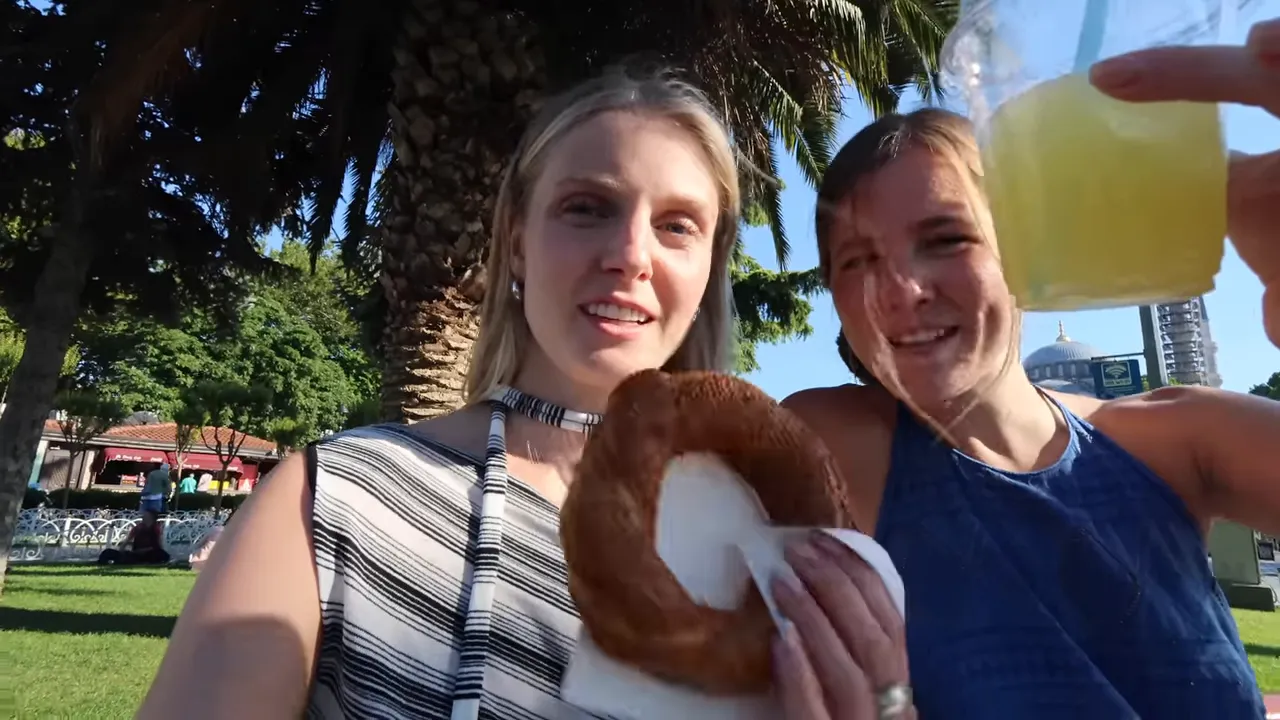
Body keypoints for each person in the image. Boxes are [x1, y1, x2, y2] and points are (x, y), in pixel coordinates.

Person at [138, 67, 897, 720]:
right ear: (518, 240)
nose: (631, 254)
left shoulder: (779, 555)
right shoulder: (334, 503)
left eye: (676, 226)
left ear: (707, 270)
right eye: (587, 207)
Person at [778, 18, 1280, 719]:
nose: (899, 290)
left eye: (946, 238)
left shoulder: (1176, 437)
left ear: (1029, 236)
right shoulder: (829, 446)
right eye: (856, 261)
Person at [98, 510, 171, 566]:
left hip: (150, 553)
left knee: (163, 555)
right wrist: (121, 551)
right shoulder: (138, 528)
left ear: (151, 518)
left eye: (146, 516)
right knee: (107, 552)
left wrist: (148, 550)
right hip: (137, 553)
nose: (143, 517)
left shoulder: (156, 529)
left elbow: (158, 545)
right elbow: (127, 540)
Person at [187, 507, 235, 573]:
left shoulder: (215, 529)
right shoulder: (233, 534)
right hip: (215, 561)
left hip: (200, 558)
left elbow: (200, 543)